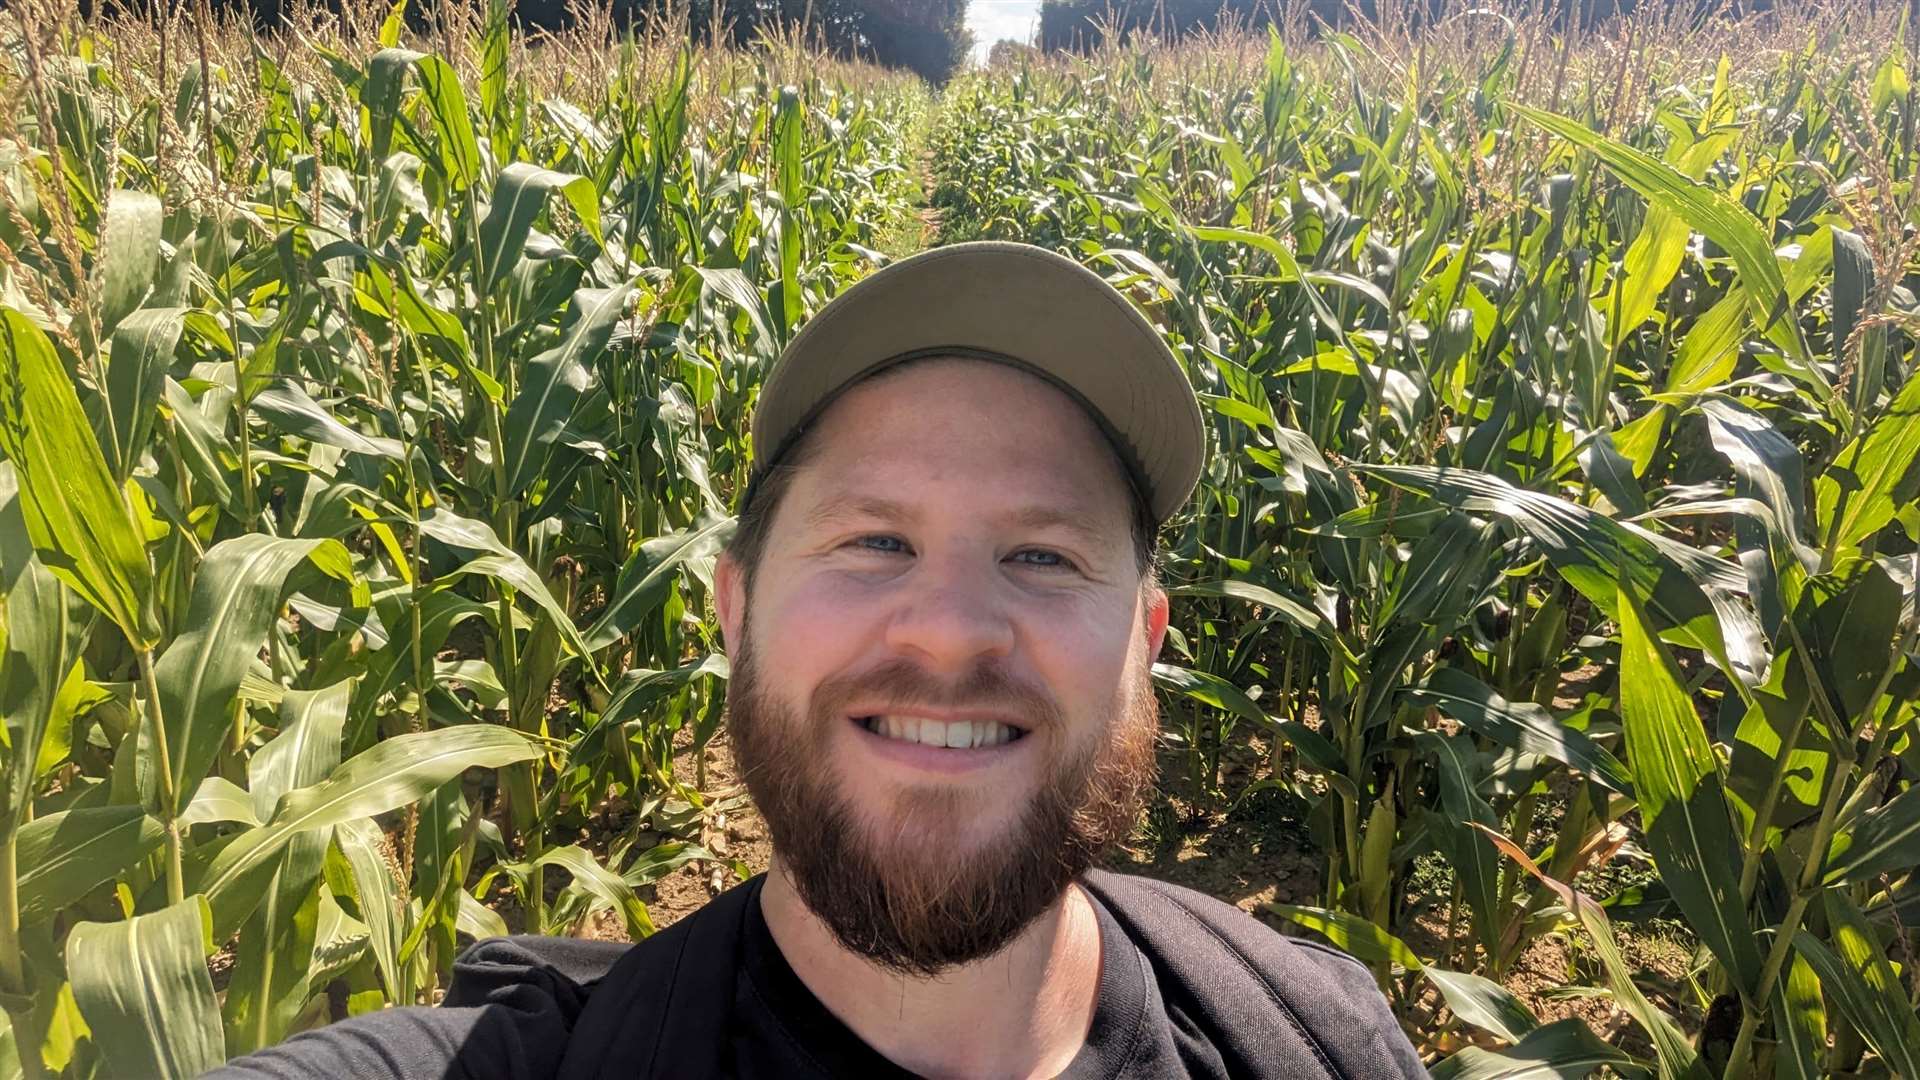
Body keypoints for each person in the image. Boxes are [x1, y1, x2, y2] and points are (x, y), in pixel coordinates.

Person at [212, 242, 1428, 1079]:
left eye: (1045, 557)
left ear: (1144, 649)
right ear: (735, 612)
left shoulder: (1313, 1038)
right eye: (874, 540)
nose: (950, 629)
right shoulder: (535, 1059)